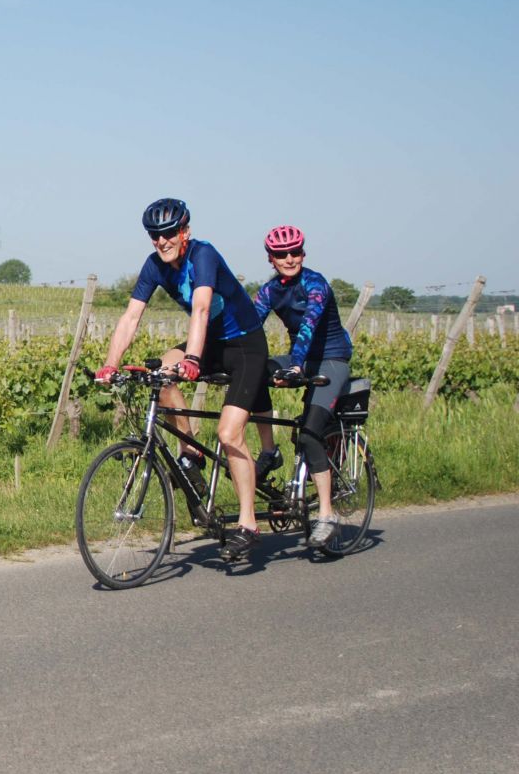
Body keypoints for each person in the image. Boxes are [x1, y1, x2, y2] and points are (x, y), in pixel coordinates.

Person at [95, 198, 271, 560]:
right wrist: (111, 364)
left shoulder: (202, 255)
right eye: (155, 235)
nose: (162, 241)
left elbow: (202, 308)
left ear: (185, 232)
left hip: (245, 347)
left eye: (170, 233)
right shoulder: (154, 266)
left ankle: (249, 523)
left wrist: (192, 357)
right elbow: (131, 317)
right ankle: (190, 454)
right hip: (209, 345)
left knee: (228, 432)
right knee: (160, 374)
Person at [249, 224, 355, 547]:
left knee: (310, 435)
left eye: (295, 252)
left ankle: (326, 515)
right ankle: (269, 452)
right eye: (282, 254)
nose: (290, 258)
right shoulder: (269, 291)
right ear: (271, 259)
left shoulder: (316, 284)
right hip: (303, 359)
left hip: (331, 359)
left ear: (303, 254)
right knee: (251, 370)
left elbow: (308, 326)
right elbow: (250, 325)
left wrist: (295, 366)